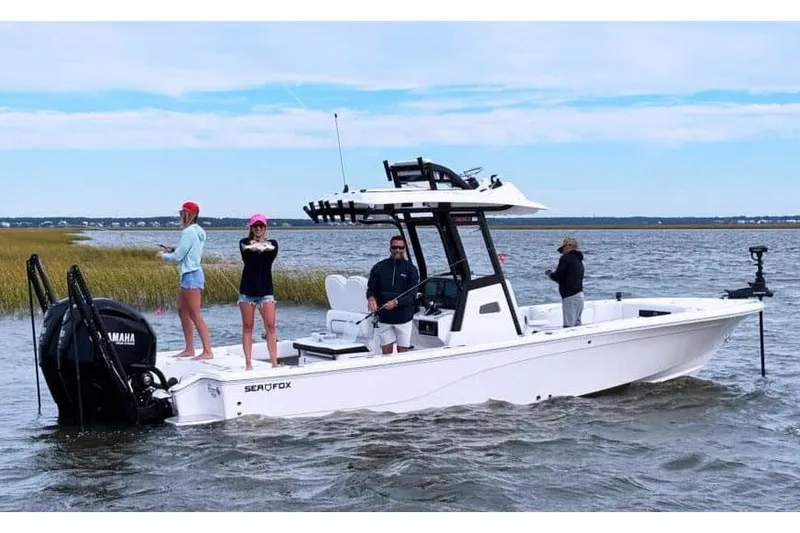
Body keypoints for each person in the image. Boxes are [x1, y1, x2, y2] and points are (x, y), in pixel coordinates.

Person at [157, 201, 214, 360]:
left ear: (192, 214)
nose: (181, 216)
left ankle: (208, 351)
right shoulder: (196, 231)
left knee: (195, 314)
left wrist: (163, 256)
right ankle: (189, 349)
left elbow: (178, 257)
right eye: (181, 213)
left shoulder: (189, 232)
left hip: (192, 275)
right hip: (189, 275)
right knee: (182, 312)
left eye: (184, 213)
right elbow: (187, 251)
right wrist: (173, 248)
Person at [366, 235, 420, 355]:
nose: (398, 250)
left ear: (405, 249)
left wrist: (396, 303)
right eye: (395, 247)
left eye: (401, 247)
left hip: (404, 318)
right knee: (386, 350)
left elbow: (412, 296)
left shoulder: (411, 269)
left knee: (402, 351)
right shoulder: (379, 267)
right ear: (390, 248)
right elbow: (371, 289)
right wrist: (370, 298)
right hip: (384, 317)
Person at [238, 213, 279, 370]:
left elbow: (271, 252)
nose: (258, 228)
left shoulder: (272, 244)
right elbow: (248, 255)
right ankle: (248, 364)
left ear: (265, 227)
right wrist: (255, 246)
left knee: (270, 326)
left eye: (261, 226)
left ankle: (274, 363)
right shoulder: (244, 243)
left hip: (266, 291)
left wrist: (261, 246)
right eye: (255, 226)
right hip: (247, 291)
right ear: (251, 227)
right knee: (248, 327)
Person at [545, 236, 585, 328]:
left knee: (569, 326)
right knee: (577, 325)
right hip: (579, 295)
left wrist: (550, 274)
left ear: (568, 247)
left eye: (563, 248)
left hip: (570, 297)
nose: (562, 252)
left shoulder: (565, 258)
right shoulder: (579, 260)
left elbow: (559, 276)